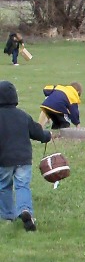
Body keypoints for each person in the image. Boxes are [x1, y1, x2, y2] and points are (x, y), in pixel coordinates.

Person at [0, 80, 51, 231]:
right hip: (23, 159)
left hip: (4, 160)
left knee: (4, 186)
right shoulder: (23, 115)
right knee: (22, 186)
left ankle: (8, 216)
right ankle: (25, 210)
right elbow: (37, 132)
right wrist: (46, 136)